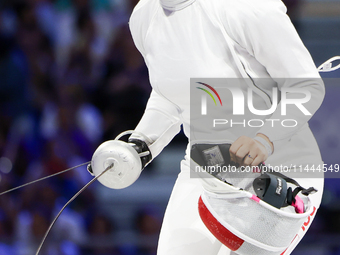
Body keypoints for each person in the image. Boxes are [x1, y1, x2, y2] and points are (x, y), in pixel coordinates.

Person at [92, 0, 325, 254]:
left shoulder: (247, 8)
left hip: (280, 172)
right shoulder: (144, 16)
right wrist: (141, 144)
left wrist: (263, 139)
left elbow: (307, 87)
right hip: (206, 169)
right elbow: (170, 94)